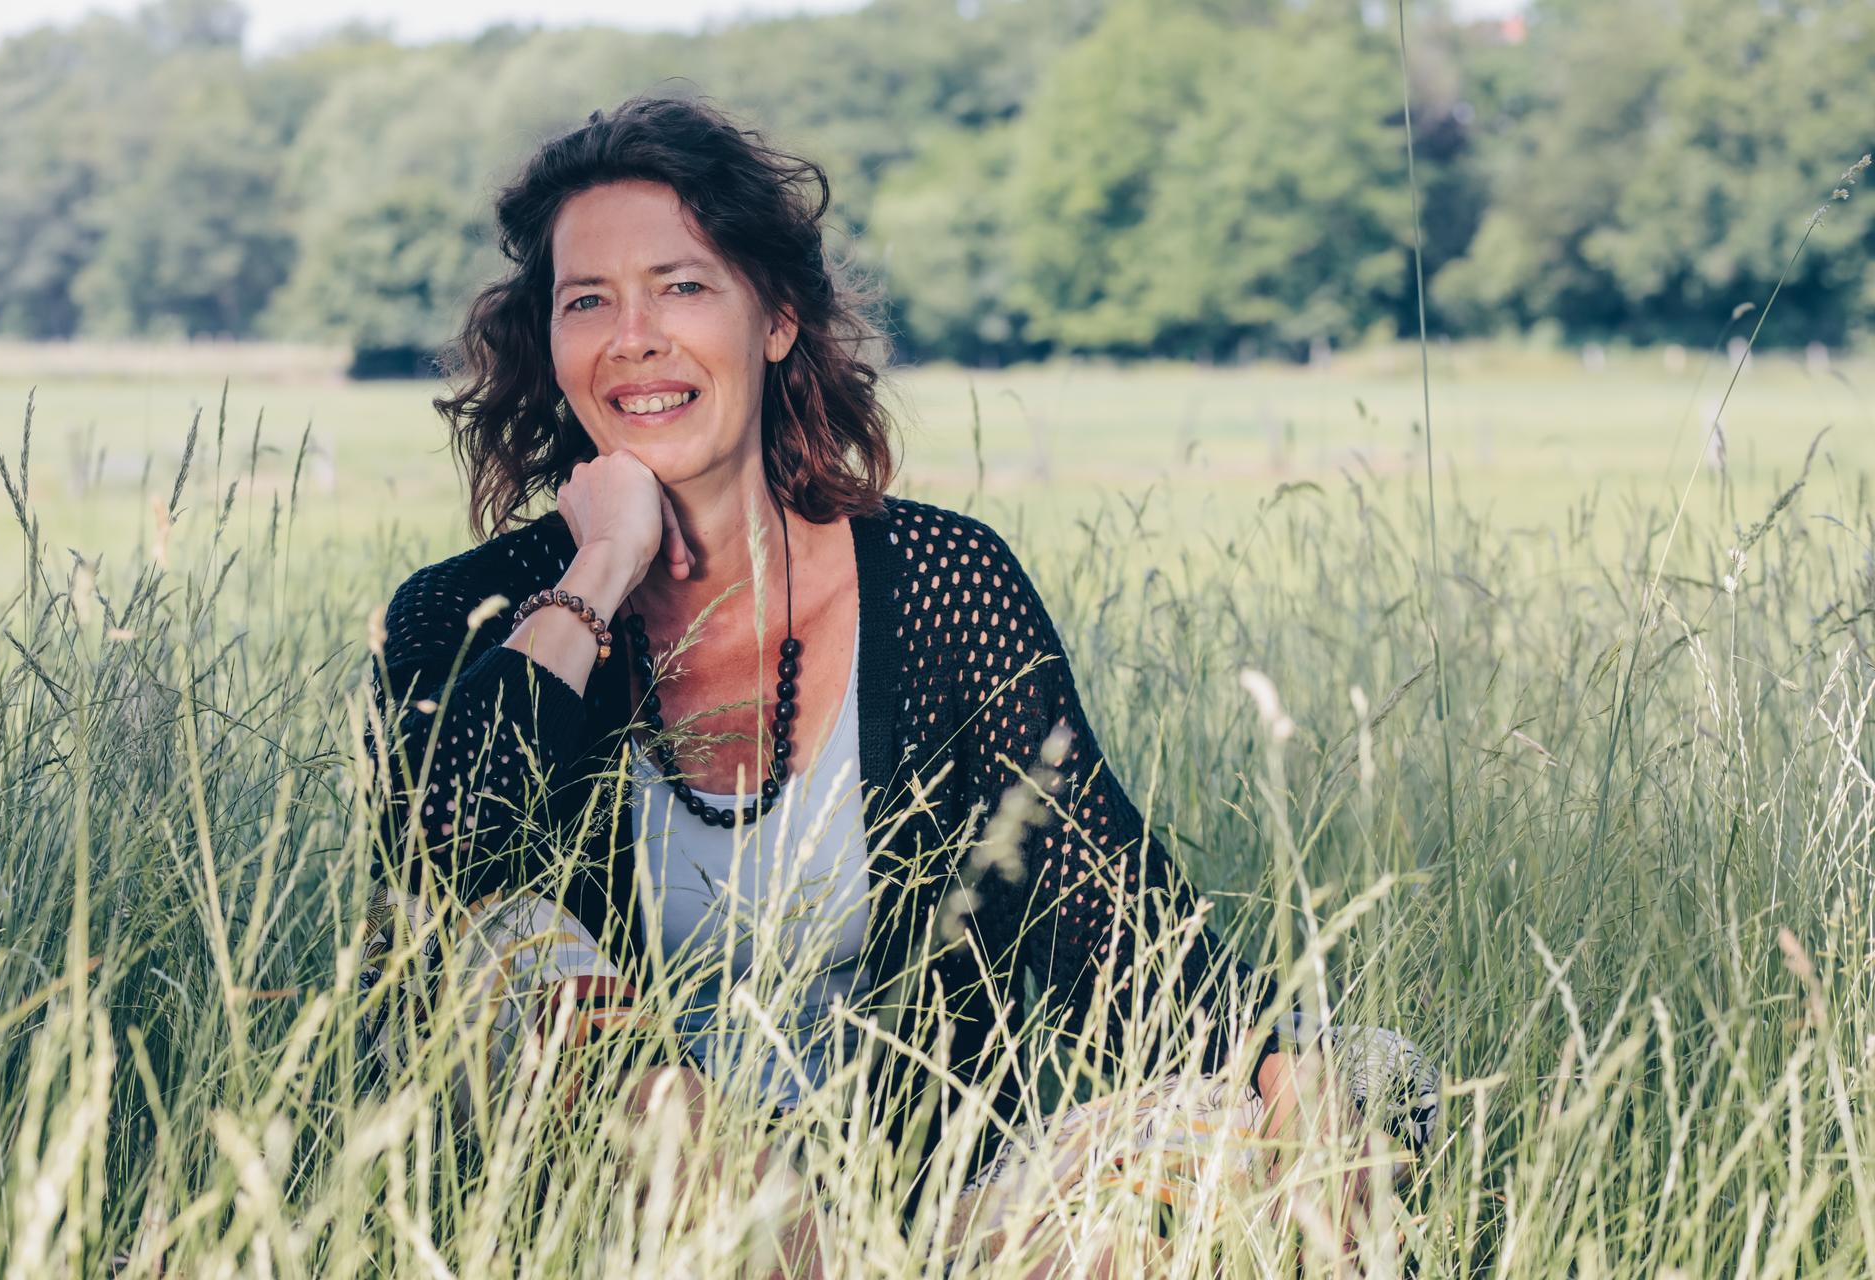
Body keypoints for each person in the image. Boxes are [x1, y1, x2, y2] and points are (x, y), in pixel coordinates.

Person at [361, 94, 1437, 1272]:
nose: (634, 337)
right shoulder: (467, 611)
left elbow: (1113, 916)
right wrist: (601, 568)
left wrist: (1291, 1075)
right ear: (550, 343)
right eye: (587, 301)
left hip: (918, 1213)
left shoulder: (938, 582)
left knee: (1336, 1096)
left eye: (681, 286)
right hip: (622, 1219)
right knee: (505, 944)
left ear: (776, 318)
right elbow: (434, 854)